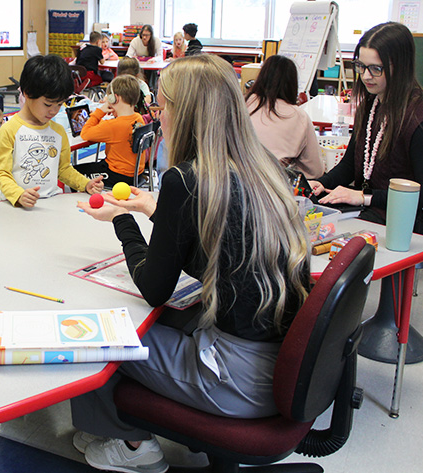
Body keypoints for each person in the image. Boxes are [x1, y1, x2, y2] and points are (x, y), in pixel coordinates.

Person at [71, 54, 310, 473]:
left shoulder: (186, 179)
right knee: (162, 320)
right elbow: (222, 244)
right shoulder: (262, 168)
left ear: (184, 114)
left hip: (235, 378)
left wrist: (123, 219)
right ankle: (114, 425)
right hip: (281, 364)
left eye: (160, 109)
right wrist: (155, 210)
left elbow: (153, 286)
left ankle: (134, 447)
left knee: (88, 333)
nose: (157, 119)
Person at [309, 22, 423, 237]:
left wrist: (363, 197)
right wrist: (321, 183)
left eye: (376, 69)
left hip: (402, 220)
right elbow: (349, 164)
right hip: (368, 207)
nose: (365, 76)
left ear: (400, 67)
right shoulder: (372, 102)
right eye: (361, 66)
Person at [0, 54, 104, 208]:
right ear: (27, 93)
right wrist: (18, 194)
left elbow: (63, 169)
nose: (53, 111)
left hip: (51, 204)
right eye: (47, 104)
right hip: (15, 206)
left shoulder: (57, 131)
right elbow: (1, 172)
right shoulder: (9, 129)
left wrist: (85, 184)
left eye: (59, 104)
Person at [246, 54, 324, 178]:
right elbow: (315, 170)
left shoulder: (243, 104)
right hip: (273, 184)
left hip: (234, 181)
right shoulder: (298, 115)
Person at [79, 75, 146, 187]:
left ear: (114, 98)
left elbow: (85, 133)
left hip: (117, 175)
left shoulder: (112, 126)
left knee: (75, 173)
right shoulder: (138, 118)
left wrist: (99, 112)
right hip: (135, 174)